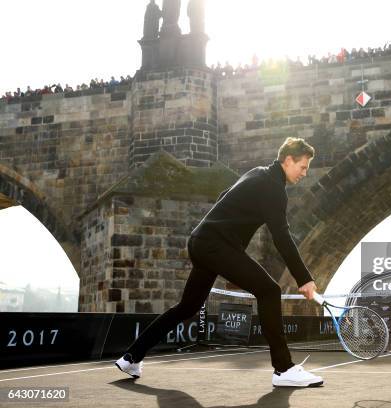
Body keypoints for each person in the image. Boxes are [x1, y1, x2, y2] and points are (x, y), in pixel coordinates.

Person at [115, 137, 324, 388]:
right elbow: (281, 236)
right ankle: (284, 369)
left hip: (201, 242)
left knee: (186, 307)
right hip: (216, 246)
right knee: (270, 291)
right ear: (288, 160)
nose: (305, 173)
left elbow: (225, 195)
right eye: (303, 167)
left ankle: (131, 357)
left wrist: (224, 250)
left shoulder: (257, 173)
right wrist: (304, 278)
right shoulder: (273, 187)